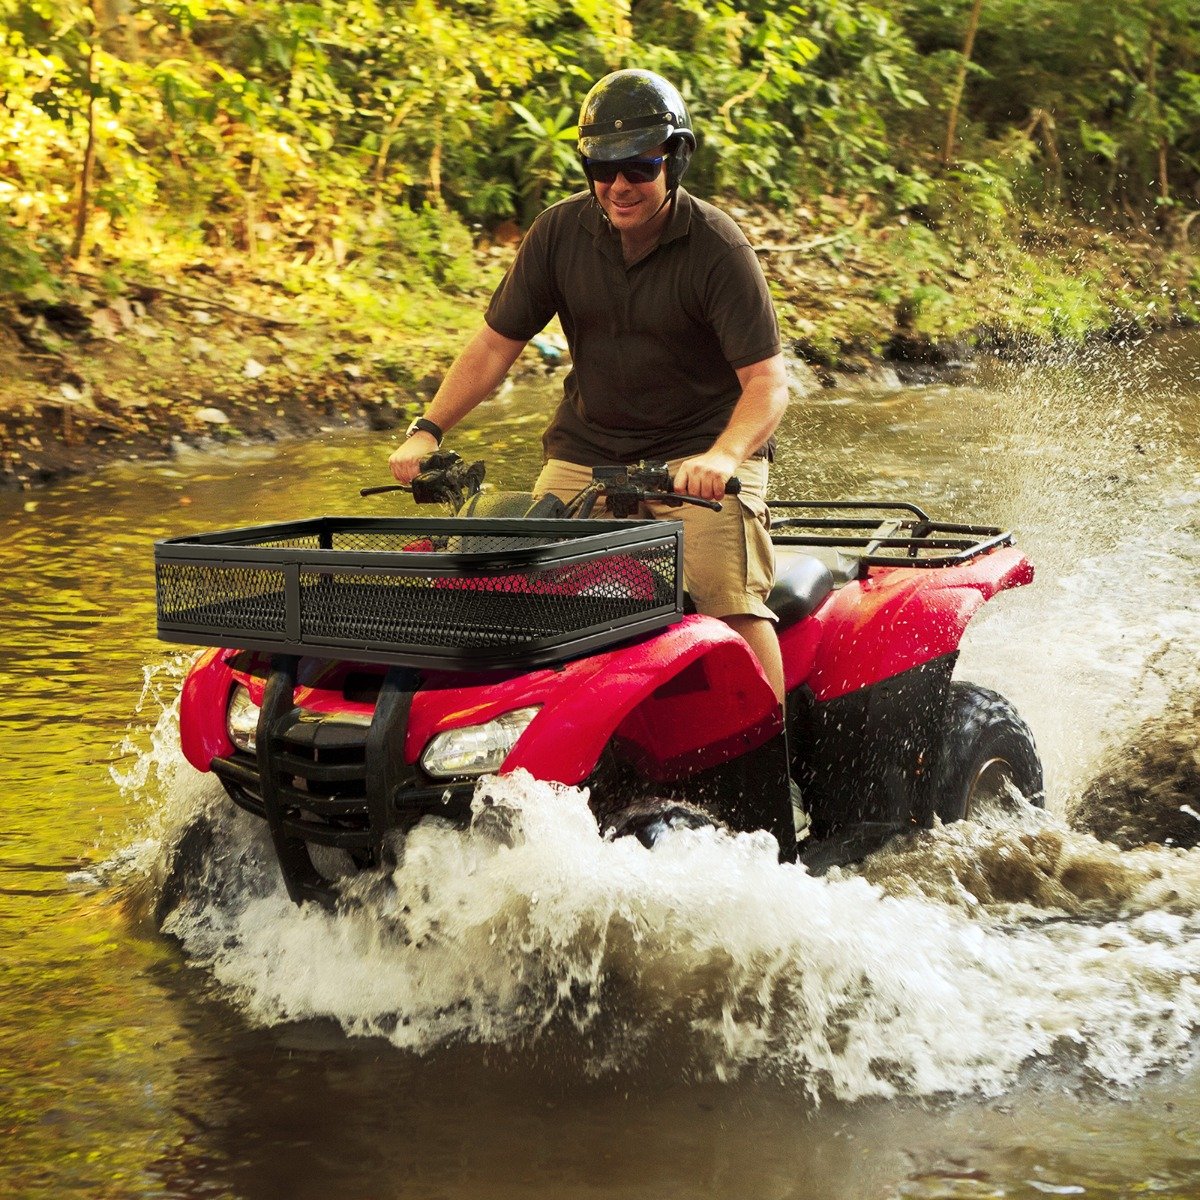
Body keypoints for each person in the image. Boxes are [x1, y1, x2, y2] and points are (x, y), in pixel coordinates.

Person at [388, 69, 789, 700]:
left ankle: (774, 745)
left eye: (639, 167)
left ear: (674, 161)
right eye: (603, 168)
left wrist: (723, 456)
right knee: (519, 583)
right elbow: (494, 345)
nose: (619, 185)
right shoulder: (558, 233)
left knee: (725, 596)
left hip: (701, 458)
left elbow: (767, 382)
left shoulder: (718, 246)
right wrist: (428, 430)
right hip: (588, 451)